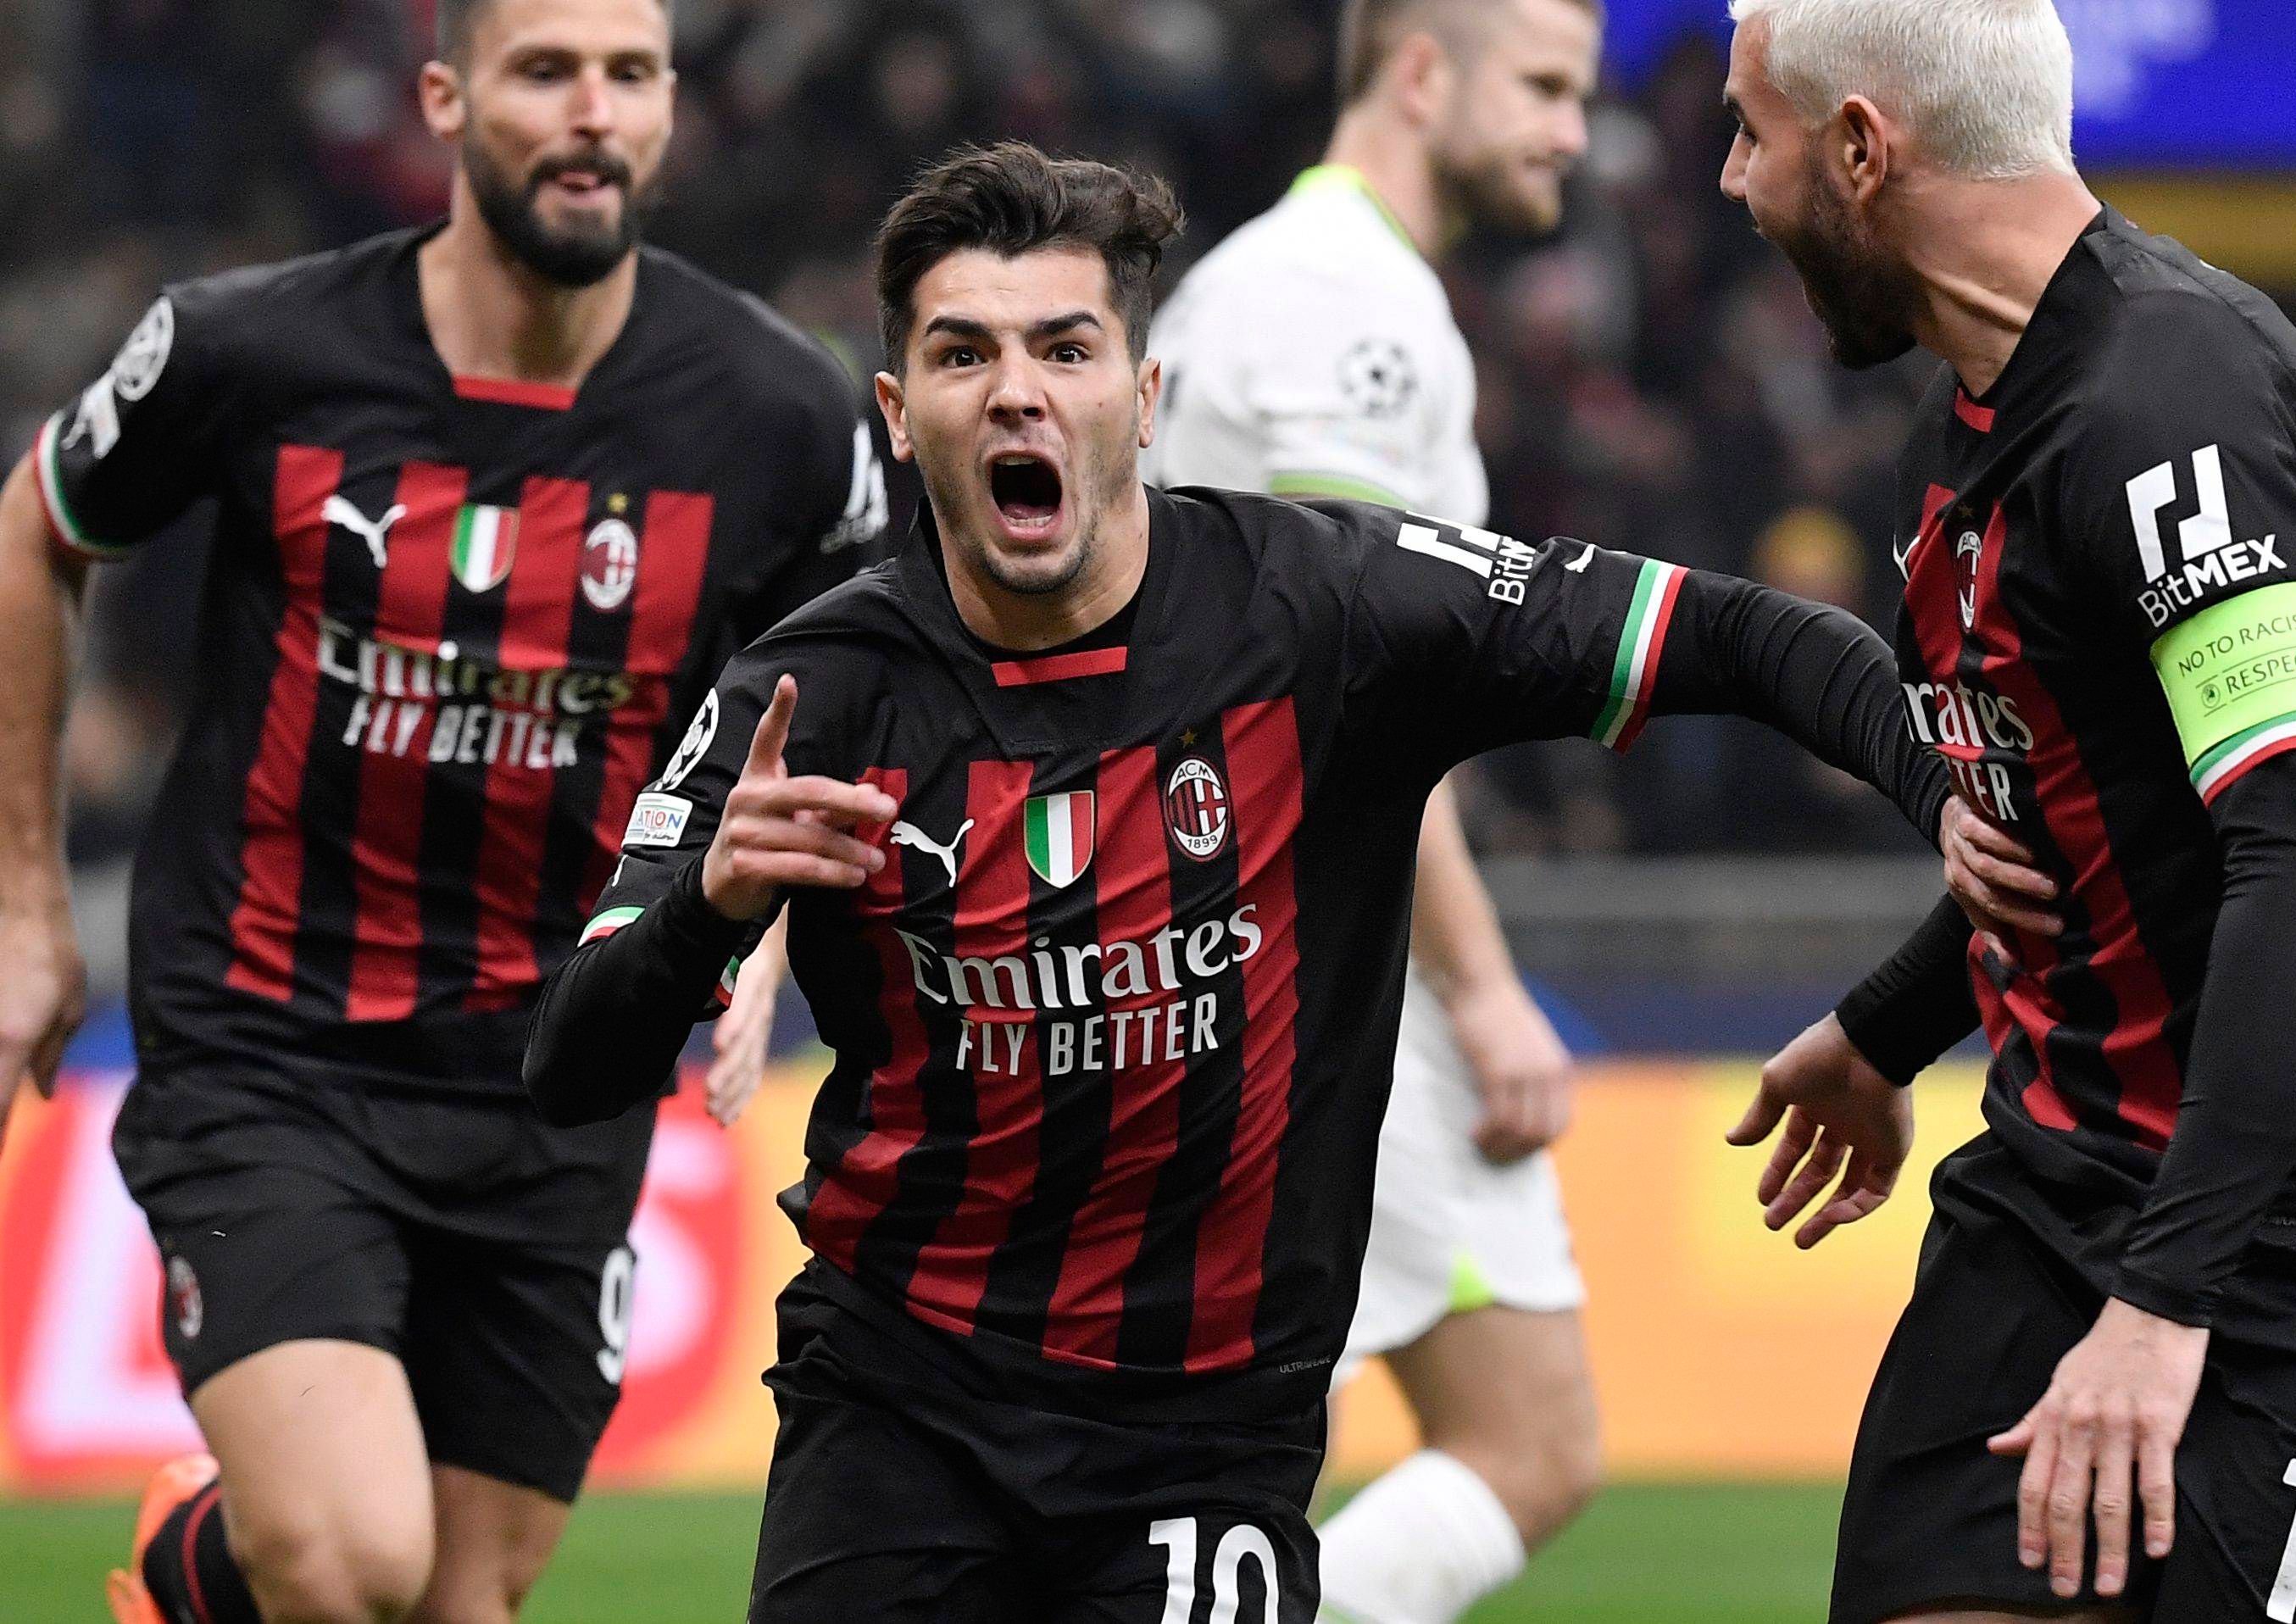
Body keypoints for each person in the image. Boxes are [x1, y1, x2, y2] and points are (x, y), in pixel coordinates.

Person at [524, 140, 1947, 1624]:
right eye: (964, 353)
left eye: (1066, 348)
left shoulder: (1328, 610)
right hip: (898, 1401)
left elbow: (1751, 639)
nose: (1018, 389)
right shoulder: (803, 699)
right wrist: (711, 908)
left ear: (1141, 402)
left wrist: (1951, 796)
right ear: (901, 412)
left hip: (1202, 1438)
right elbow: (573, 1059)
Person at [0, 0, 887, 1619]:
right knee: (352, 1564)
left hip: (564, 1067)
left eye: (630, 77)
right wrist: (25, 914)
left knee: (460, 1604)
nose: (591, 113)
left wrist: (765, 939)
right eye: (544, 71)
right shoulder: (250, 349)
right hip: (274, 1048)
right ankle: (207, 1560)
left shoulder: (775, 411)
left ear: (673, 112)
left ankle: (211, 1587)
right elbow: (36, 526)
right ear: (445, 100)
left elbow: (852, 689)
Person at [1715, 3, 2296, 1621]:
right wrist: (1891, 1026)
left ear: (1859, 148)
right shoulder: (1974, 419)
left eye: (1750, 133)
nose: (1728, 180)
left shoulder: (2168, 407)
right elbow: (2079, 832)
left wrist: (2169, 1305)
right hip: (2059, 1201)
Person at [1140, 3, 1605, 1611]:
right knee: (1519, 1440)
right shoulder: (1345, 308)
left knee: (1263, 1448)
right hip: (1322, 964)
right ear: (1421, 71)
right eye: (1545, 88)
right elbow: (1356, 693)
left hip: (1228, 939)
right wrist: (1481, 992)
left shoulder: (1243, 286)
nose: (1572, 132)